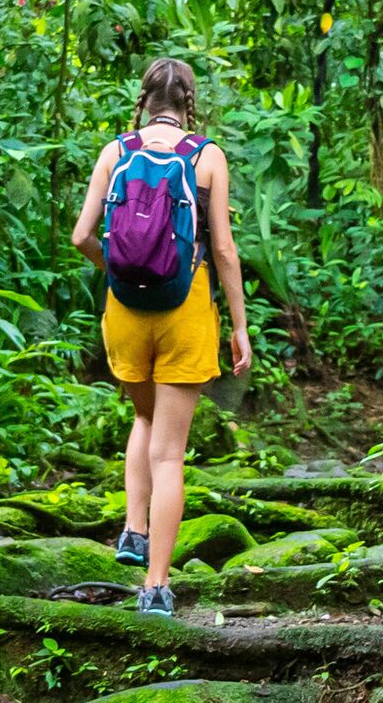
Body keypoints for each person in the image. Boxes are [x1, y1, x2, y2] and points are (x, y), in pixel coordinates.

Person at [70, 57, 251, 617]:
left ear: (145, 99)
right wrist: (240, 326)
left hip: (124, 310)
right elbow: (221, 248)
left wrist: (119, 271)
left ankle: (133, 529)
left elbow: (81, 236)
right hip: (186, 308)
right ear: (189, 100)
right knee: (170, 454)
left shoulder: (114, 152)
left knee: (143, 419)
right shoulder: (207, 157)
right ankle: (155, 586)